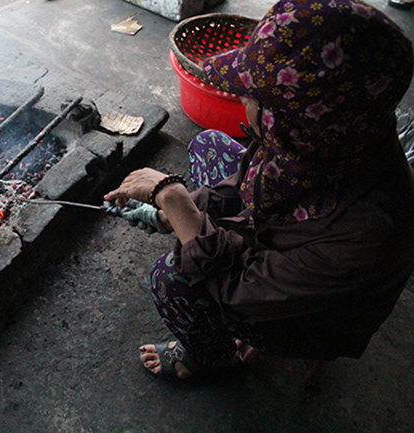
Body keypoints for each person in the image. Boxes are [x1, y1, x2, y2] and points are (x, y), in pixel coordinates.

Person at [105, 0, 414, 380]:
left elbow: (236, 287)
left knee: (173, 278)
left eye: (253, 97)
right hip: (285, 252)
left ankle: (212, 358)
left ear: (294, 119)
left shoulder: (369, 232)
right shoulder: (324, 136)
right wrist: (176, 213)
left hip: (309, 316)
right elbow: (241, 184)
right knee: (210, 145)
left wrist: (174, 200)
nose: (242, 101)